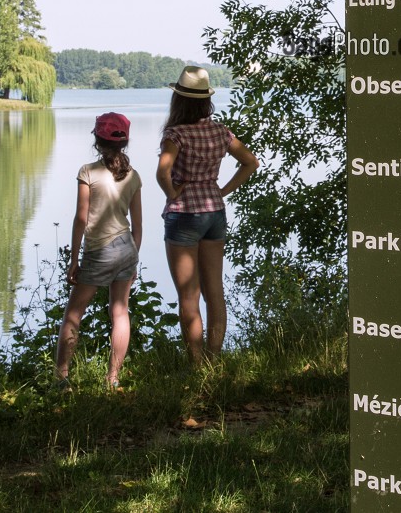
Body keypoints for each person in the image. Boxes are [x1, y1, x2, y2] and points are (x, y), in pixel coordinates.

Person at [157, 66, 258, 364]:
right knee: (215, 292)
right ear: (205, 101)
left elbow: (163, 172)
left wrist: (172, 193)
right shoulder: (219, 131)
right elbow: (251, 162)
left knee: (189, 296)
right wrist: (222, 190)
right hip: (214, 212)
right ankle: (214, 359)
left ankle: (196, 364)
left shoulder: (175, 135)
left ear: (179, 100)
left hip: (185, 215)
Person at [54, 112, 143, 390]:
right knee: (120, 312)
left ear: (97, 140)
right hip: (127, 247)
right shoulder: (133, 175)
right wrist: (134, 258)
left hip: (100, 250)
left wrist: (73, 259)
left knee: (74, 313)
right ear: (123, 143)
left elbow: (81, 218)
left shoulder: (88, 172)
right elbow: (138, 225)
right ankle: (113, 379)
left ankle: (62, 379)